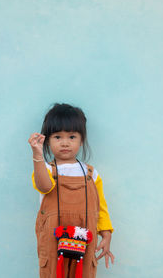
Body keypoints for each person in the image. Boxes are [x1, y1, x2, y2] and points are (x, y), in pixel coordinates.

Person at [28, 103, 114, 278]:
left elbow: (101, 208)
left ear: (81, 140)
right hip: (54, 241)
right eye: (57, 137)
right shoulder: (43, 169)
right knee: (53, 272)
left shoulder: (92, 174)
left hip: (85, 239)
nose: (65, 143)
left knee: (84, 273)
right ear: (47, 140)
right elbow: (45, 186)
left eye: (72, 137)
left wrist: (106, 234)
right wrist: (37, 155)